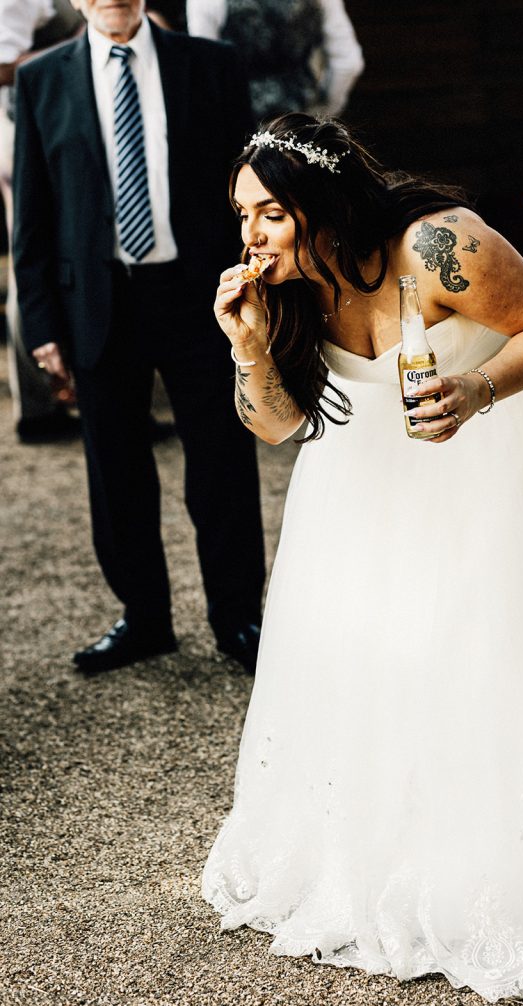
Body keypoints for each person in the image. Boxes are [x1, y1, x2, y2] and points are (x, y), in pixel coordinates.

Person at [202, 114, 523, 1001]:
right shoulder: (286, 292)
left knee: (504, 648)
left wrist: (475, 386)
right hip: (370, 490)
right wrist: (248, 348)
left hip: (504, 459)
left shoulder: (438, 245)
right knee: (387, 658)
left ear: (323, 202)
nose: (251, 236)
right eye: (242, 216)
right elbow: (276, 426)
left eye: (270, 213)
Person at [13, 0, 265, 674]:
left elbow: (249, 192)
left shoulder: (209, 66)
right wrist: (40, 326)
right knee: (115, 469)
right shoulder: (41, 80)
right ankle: (144, 618)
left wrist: (258, 288)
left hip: (199, 294)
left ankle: (238, 618)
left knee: (222, 462)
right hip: (97, 303)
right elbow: (32, 214)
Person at [0, 0, 83, 442]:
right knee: (30, 255)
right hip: (18, 126)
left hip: (35, 120)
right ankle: (38, 405)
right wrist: (83, 44)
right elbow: (0, 67)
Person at [187, 0, 363, 121]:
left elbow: (205, 71)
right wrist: (323, 110)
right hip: (299, 119)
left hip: (239, 120)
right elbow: (348, 62)